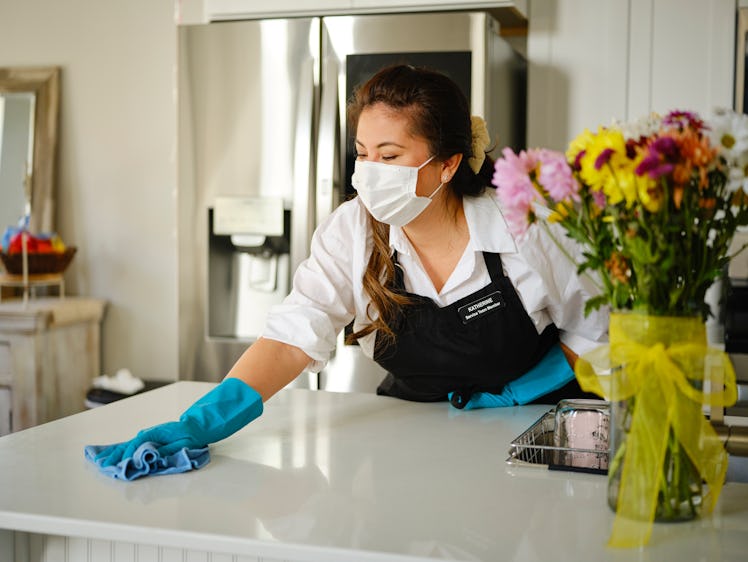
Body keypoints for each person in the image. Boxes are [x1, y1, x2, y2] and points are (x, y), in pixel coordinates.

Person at [88, 65, 608, 474]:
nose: (369, 173)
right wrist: (200, 424)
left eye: (390, 154)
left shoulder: (524, 230)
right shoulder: (353, 232)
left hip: (531, 433)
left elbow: (598, 324)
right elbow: (291, 338)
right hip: (412, 436)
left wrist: (519, 391)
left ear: (448, 164)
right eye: (362, 154)